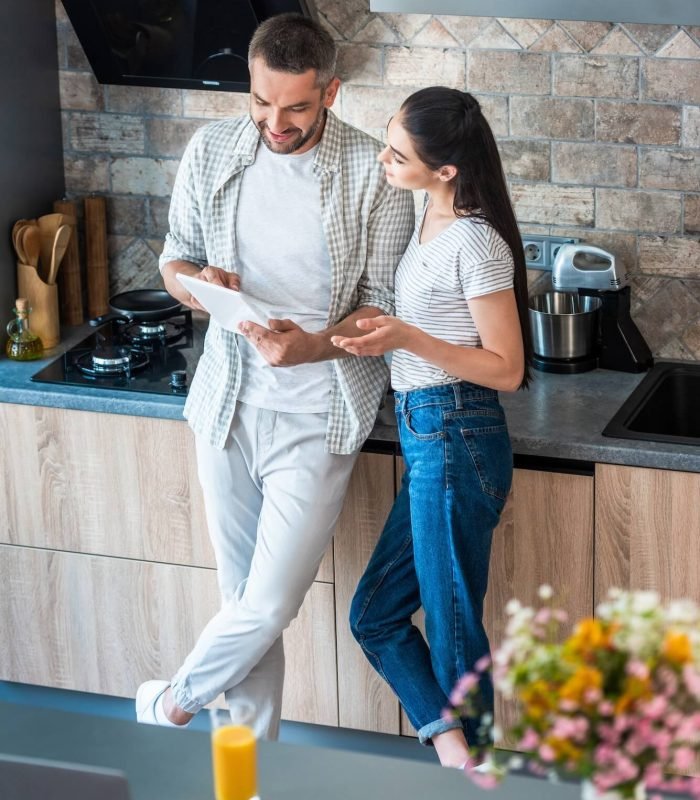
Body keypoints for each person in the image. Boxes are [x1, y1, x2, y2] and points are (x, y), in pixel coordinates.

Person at [135, 13, 414, 739]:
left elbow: (383, 302)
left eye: (295, 106)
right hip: (227, 404)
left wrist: (316, 346)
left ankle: (171, 704)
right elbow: (173, 258)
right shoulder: (213, 147)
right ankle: (249, 775)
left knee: (267, 605)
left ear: (331, 92)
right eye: (261, 101)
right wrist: (198, 282)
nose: (274, 122)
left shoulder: (373, 172)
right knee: (240, 602)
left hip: (319, 413)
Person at [332, 86, 533, 769]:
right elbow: (427, 328)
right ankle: (455, 751)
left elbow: (506, 368)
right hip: (429, 432)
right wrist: (384, 335)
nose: (384, 157)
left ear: (446, 169)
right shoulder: (428, 215)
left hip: (457, 429)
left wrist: (410, 338)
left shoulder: (476, 242)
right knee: (375, 615)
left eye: (398, 152)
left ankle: (473, 770)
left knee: (451, 627)